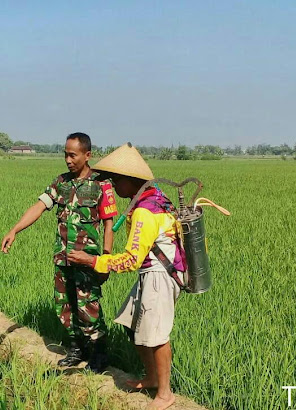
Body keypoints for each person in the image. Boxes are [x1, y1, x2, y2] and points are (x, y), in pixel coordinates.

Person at [68, 143, 184, 410]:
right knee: (131, 323)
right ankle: (153, 377)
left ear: (129, 180)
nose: (112, 186)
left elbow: (132, 259)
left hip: (159, 275)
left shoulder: (145, 210)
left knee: (157, 335)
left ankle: (165, 394)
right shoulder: (153, 197)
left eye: (115, 180)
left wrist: (93, 260)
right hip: (153, 272)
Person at [1, 132, 118, 373]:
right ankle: (76, 349)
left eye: (72, 155)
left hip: (87, 260)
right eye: (65, 154)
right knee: (64, 305)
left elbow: (109, 224)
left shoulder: (101, 184)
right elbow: (39, 206)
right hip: (62, 258)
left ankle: (99, 353)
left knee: (89, 306)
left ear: (87, 155)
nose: (67, 160)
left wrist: (105, 260)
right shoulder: (61, 183)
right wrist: (15, 230)